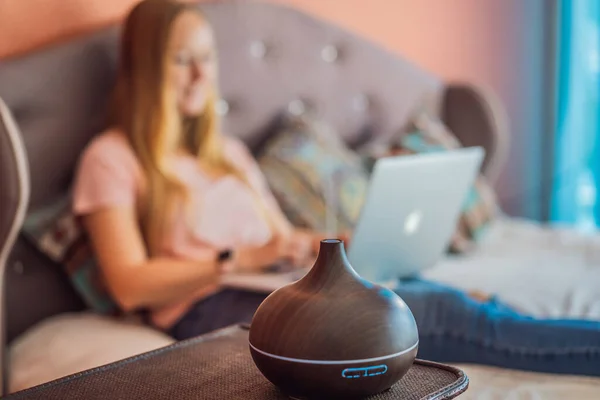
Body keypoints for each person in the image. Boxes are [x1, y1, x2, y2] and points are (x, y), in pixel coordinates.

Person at [72, 0, 600, 377]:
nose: (198, 75)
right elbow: (129, 284)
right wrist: (235, 259)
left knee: (451, 302)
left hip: (279, 283)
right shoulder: (113, 158)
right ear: (144, 67)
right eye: (180, 59)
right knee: (442, 313)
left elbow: (283, 238)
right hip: (211, 308)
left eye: (206, 58)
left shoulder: (225, 155)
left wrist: (327, 245)